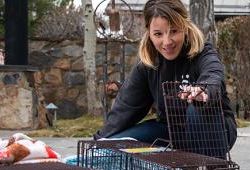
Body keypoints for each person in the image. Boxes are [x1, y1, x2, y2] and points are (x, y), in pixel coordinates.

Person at [94, 0, 237, 157]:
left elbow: (214, 75)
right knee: (112, 145)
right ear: (149, 33)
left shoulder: (204, 53)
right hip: (170, 131)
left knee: (196, 105)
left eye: (174, 31)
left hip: (214, 129)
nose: (167, 42)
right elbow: (124, 110)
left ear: (185, 27)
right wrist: (97, 144)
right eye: (158, 34)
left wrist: (203, 90)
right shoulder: (147, 65)